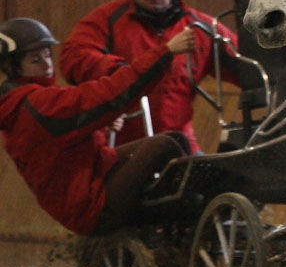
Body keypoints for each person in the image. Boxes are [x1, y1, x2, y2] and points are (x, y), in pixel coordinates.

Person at [0, 17, 195, 235]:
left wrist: (98, 126)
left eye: (47, 55)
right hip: (90, 207)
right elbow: (109, 94)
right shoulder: (39, 104)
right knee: (164, 145)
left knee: (176, 139)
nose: (47, 64)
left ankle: (176, 216)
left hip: (91, 181)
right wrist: (166, 51)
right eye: (36, 60)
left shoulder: (23, 104)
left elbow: (60, 144)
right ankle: (182, 223)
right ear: (12, 67)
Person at [59, 0, 240, 153]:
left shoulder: (202, 29)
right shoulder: (108, 19)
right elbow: (72, 56)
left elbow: (246, 65)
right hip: (122, 145)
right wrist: (119, 72)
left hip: (177, 143)